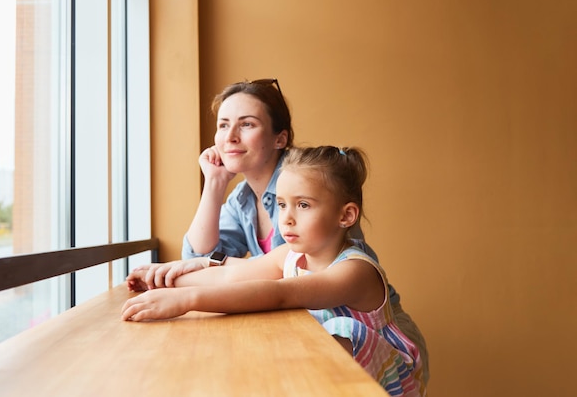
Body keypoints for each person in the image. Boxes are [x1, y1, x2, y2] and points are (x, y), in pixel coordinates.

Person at [128, 78, 429, 383]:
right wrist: (164, 280)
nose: (286, 218)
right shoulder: (249, 204)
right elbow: (221, 269)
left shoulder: (347, 257)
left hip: (381, 364)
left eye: (246, 124)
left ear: (279, 139)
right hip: (316, 338)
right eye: (223, 125)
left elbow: (279, 291)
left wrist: (187, 299)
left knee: (331, 336)